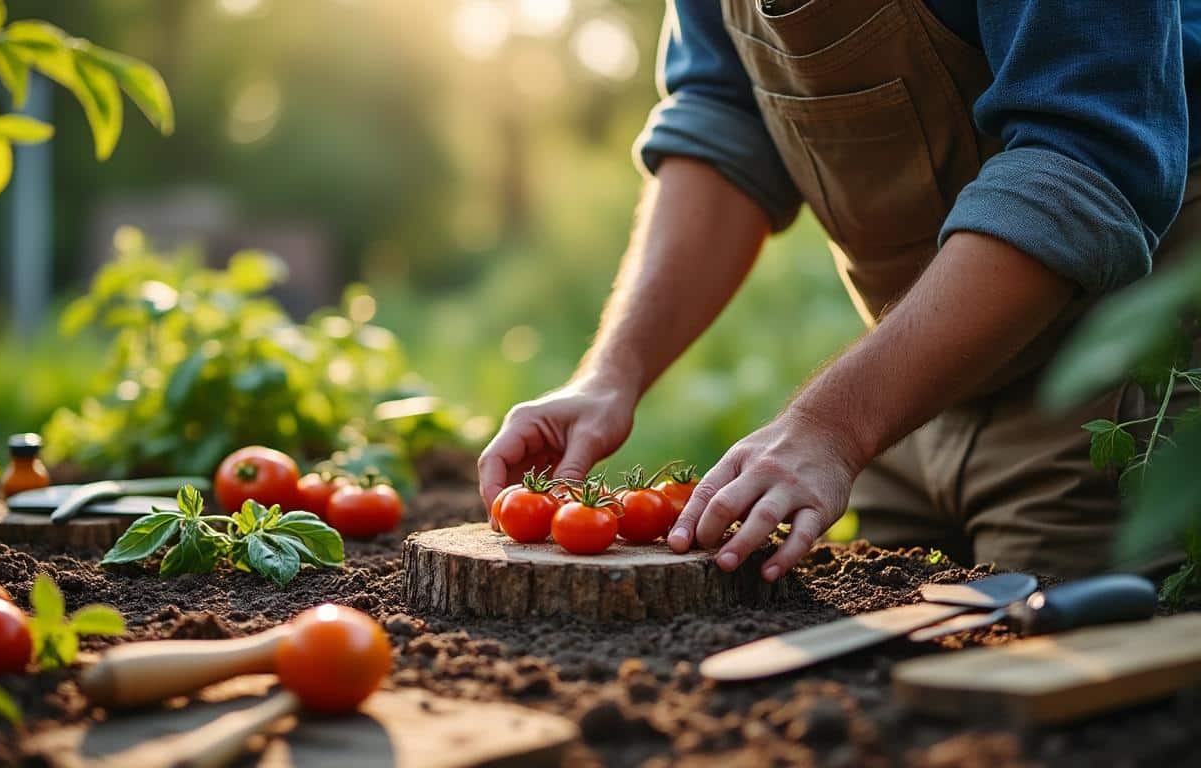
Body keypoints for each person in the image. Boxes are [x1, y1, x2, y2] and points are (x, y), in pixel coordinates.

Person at [477, 0, 1201, 580]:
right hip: (909, 396)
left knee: (1055, 689)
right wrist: (613, 374)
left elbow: (1087, 155)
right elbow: (727, 116)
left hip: (1113, 374)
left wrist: (835, 425)